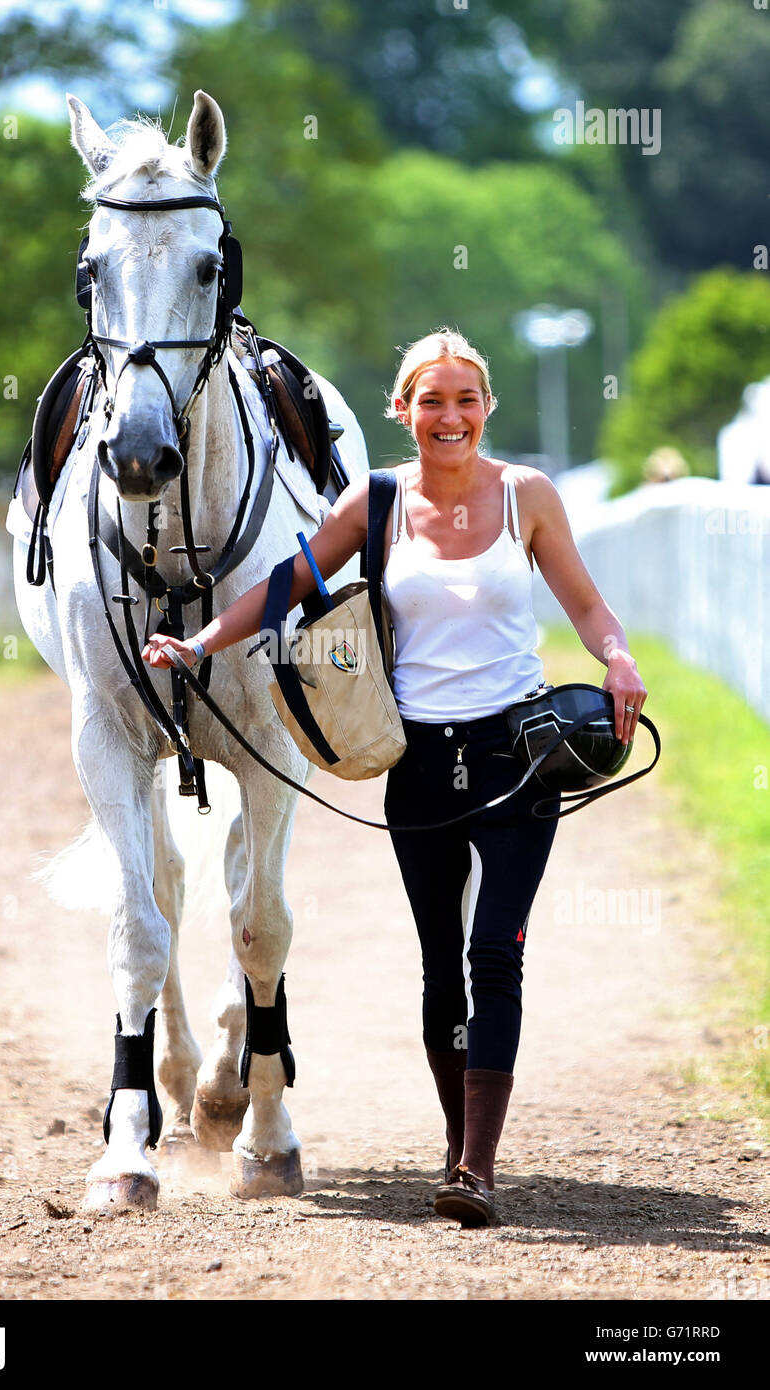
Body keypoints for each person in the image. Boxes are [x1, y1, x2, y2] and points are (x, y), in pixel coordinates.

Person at [143, 327, 648, 1227]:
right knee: (439, 967)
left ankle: (475, 1171)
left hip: (517, 754)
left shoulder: (525, 496)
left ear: (486, 408)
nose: (449, 418)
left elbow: (584, 601)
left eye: (465, 401)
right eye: (431, 402)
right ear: (404, 411)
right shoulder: (374, 502)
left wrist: (615, 656)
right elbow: (287, 582)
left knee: (494, 948)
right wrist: (201, 642)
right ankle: (461, 1149)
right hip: (419, 766)